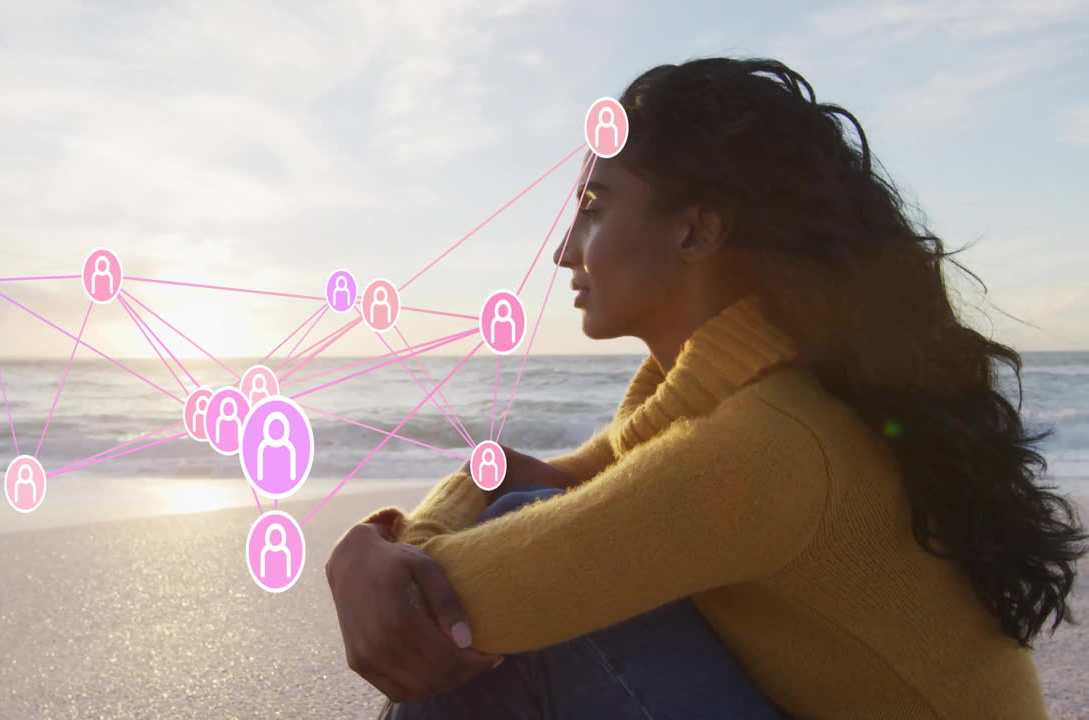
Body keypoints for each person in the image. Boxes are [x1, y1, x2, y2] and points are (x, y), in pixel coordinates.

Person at [325, 57, 1088, 719]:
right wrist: (387, 540)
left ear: (695, 232)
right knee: (532, 515)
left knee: (538, 596)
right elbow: (532, 477)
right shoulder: (721, 392)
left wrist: (384, 558)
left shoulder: (770, 443)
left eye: (594, 207)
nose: (563, 252)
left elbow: (437, 609)